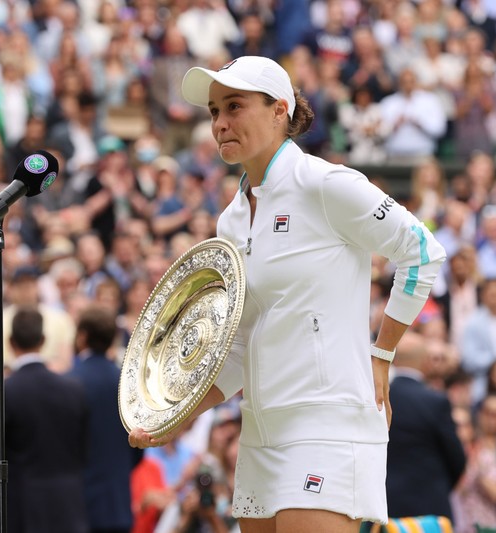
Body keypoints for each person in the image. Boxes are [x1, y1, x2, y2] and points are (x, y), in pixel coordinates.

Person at [129, 55, 447, 532]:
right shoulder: (230, 221)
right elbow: (238, 345)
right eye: (214, 111)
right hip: (260, 433)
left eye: (234, 106)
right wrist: (178, 416)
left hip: (328, 424)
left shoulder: (327, 183)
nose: (220, 123)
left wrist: (381, 354)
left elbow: (422, 251)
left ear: (280, 110)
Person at [0, 307, 89, 533]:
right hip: (65, 508)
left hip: (18, 508)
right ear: (43, 341)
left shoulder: (2, 391)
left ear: (11, 342)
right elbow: (83, 450)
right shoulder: (73, 390)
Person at [68, 305, 143, 533]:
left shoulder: (69, 383)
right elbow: (137, 445)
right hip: (117, 505)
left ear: (82, 337)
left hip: (78, 506)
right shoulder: (129, 385)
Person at [386, 332, 466, 522]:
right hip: (430, 508)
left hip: (386, 503)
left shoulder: (379, 397)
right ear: (425, 362)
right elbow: (457, 458)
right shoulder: (435, 401)